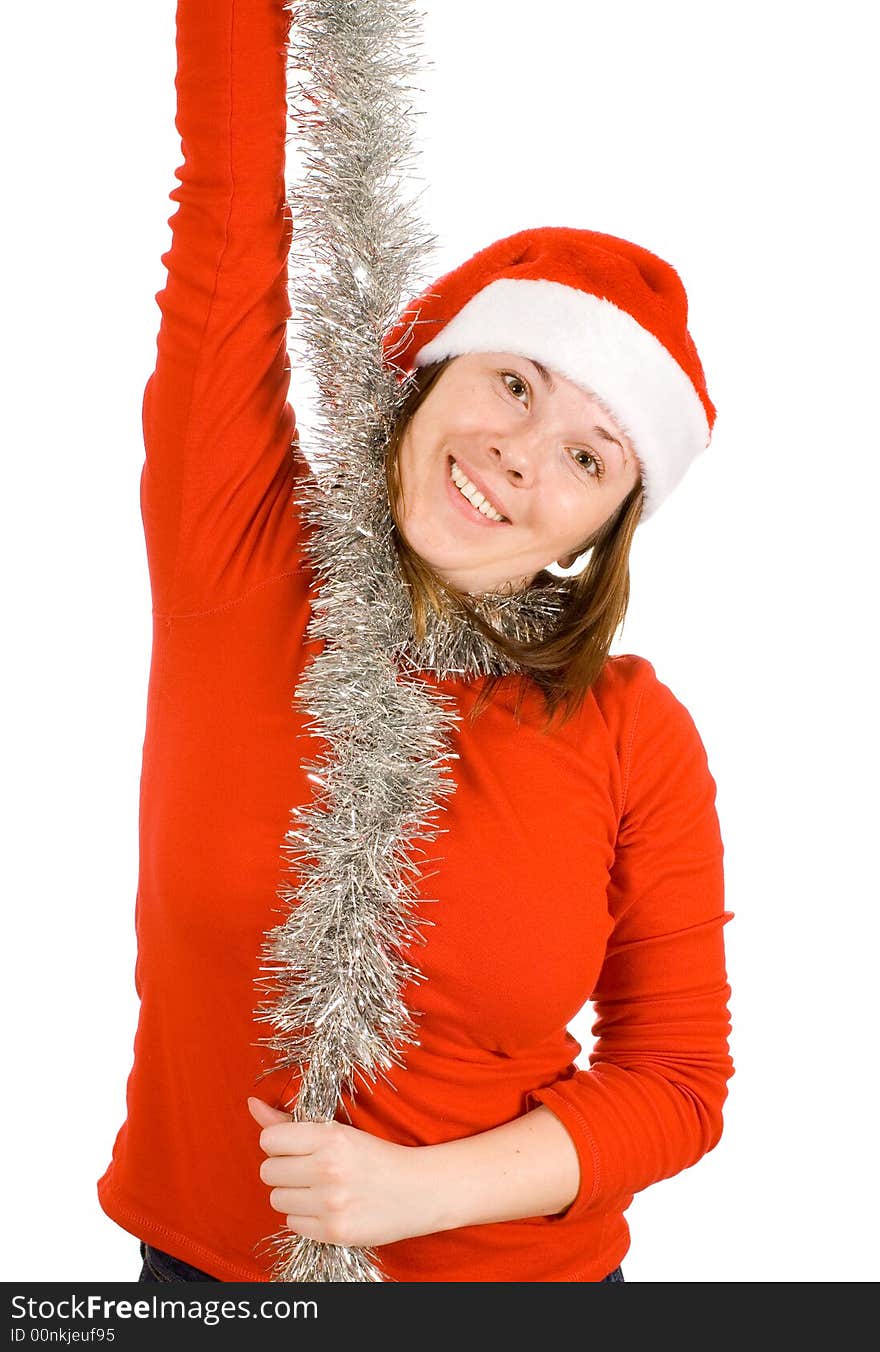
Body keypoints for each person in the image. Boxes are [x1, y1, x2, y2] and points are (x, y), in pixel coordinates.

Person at [97, 0, 733, 1285]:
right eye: (512, 380)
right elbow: (225, 216)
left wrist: (413, 1191)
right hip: (202, 1279)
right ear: (426, 380)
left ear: (598, 530)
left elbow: (676, 1081)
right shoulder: (240, 567)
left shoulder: (632, 729)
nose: (518, 449)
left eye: (586, 454)